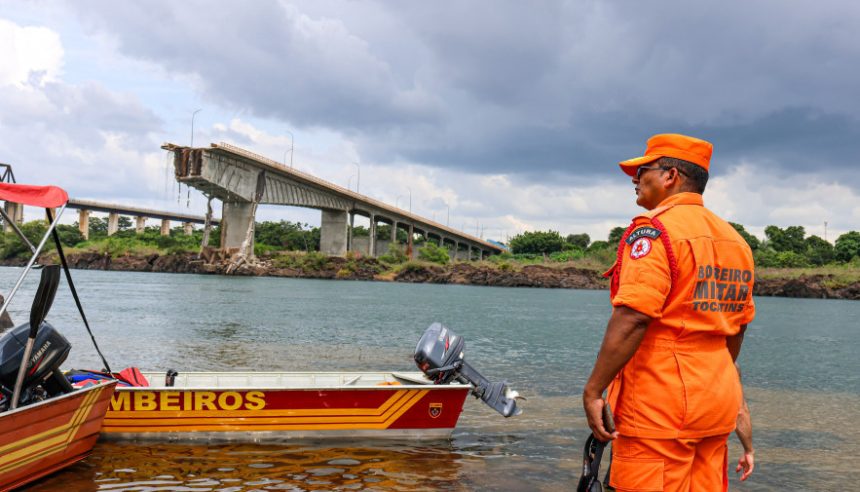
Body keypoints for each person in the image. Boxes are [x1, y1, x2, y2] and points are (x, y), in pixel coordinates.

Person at [582, 134, 755, 491]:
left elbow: (634, 316)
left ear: (670, 176)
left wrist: (594, 390)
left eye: (642, 170)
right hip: (717, 401)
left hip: (659, 407)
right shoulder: (736, 242)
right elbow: (736, 330)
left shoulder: (654, 231)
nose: (635, 179)